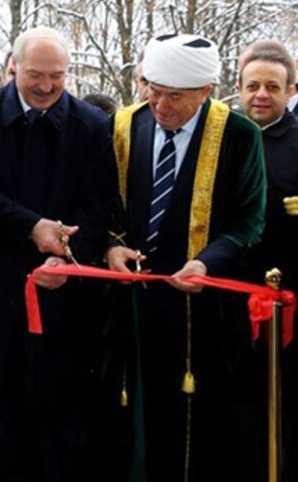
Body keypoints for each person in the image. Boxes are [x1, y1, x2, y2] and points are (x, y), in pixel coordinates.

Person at [105, 34, 267, 482]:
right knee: (136, 414)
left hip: (204, 306)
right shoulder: (124, 125)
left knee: (197, 422)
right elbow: (104, 203)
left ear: (205, 91)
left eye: (174, 97)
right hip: (133, 299)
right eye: (153, 91)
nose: (160, 106)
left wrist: (207, 262)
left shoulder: (239, 135)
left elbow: (250, 219)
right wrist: (111, 245)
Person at [0, 26, 118, 481]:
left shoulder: (91, 125)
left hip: (63, 296)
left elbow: (99, 204)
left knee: (60, 421)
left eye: (58, 76)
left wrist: (68, 257)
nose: (47, 86)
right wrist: (30, 226)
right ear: (14, 67)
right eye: (35, 75)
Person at [238, 40, 298, 482]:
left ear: (290, 90)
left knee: (295, 411)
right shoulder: (224, 139)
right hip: (232, 296)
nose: (261, 95)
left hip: (296, 301)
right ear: (239, 88)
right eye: (252, 85)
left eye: (272, 87)